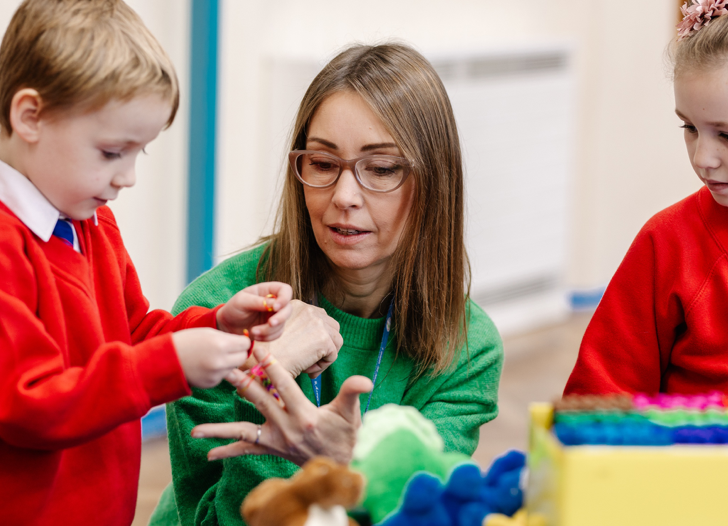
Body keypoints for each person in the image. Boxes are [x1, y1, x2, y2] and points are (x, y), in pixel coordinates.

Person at [0, 0, 293, 526]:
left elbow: (132, 334)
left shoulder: (90, 221)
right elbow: (28, 403)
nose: (127, 177)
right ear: (29, 116)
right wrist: (169, 366)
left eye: (138, 153)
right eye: (111, 152)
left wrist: (218, 326)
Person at [151, 43, 503, 526]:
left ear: (435, 182)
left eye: (380, 169)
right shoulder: (214, 312)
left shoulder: (466, 347)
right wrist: (270, 378)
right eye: (321, 164)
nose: (343, 197)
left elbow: (418, 514)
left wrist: (348, 465)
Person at [566, 0, 728, 396]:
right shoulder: (667, 241)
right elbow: (600, 394)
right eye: (690, 128)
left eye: (726, 135)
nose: (702, 159)